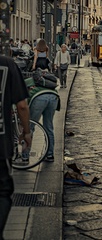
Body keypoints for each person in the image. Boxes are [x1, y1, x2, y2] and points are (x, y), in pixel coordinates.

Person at [0, 56, 31, 238]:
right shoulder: (7, 65)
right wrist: (26, 131)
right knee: (2, 191)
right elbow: (22, 105)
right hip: (1, 145)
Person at [25, 77, 60, 162]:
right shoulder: (47, 84)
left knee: (30, 127)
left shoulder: (29, 86)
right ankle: (50, 155)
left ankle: (25, 156)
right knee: (49, 127)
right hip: (54, 97)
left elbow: (25, 103)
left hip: (39, 98)